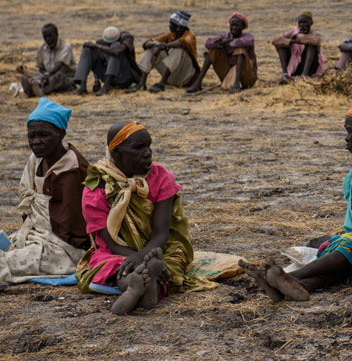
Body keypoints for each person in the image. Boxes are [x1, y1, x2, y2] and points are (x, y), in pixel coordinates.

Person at [241, 99, 352, 301]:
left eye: (350, 131)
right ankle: (300, 286)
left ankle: (289, 277)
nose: (346, 138)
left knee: (348, 246)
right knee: (345, 254)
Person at [76, 121, 217, 315]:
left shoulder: (161, 177)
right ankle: (138, 286)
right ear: (116, 153)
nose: (147, 153)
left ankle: (142, 287)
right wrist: (138, 260)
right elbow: (112, 243)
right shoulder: (97, 187)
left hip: (161, 248)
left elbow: (161, 233)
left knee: (170, 263)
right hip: (118, 251)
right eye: (138, 148)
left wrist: (143, 256)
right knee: (115, 265)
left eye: (148, 146)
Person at [0, 99, 89, 285]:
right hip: (36, 234)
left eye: (43, 135)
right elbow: (28, 199)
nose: (36, 142)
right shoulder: (37, 159)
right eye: (31, 136)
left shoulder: (73, 169)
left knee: (8, 262)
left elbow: (72, 229)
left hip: (63, 247)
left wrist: (38, 241)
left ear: (61, 134)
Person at [128, 11, 199, 93]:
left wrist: (166, 46)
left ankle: (162, 83)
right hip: (172, 77)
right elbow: (148, 43)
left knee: (178, 48)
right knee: (153, 47)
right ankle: (142, 83)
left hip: (186, 78)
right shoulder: (170, 35)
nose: (169, 26)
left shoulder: (190, 35)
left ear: (179, 27)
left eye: (172, 24)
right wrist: (154, 45)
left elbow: (183, 42)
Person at [185, 13, 257, 94]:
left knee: (240, 50)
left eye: (237, 25)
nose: (233, 28)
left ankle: (236, 84)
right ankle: (197, 83)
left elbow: (240, 42)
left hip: (246, 77)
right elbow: (208, 43)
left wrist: (227, 42)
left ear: (243, 27)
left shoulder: (248, 37)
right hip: (228, 75)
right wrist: (221, 43)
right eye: (232, 25)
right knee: (213, 50)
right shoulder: (226, 36)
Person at [74, 26, 139, 96]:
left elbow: (116, 51)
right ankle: (82, 85)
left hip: (124, 76)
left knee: (114, 48)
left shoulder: (127, 37)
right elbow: (97, 60)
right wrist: (96, 81)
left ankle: (106, 87)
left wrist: (96, 46)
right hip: (107, 75)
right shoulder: (101, 42)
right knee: (87, 49)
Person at [21, 23, 75, 97]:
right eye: (45, 37)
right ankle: (35, 86)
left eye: (50, 36)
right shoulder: (42, 48)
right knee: (35, 75)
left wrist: (47, 74)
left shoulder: (65, 46)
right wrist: (41, 77)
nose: (48, 39)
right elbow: (41, 68)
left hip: (66, 78)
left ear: (57, 34)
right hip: (47, 77)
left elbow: (60, 65)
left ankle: (36, 91)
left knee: (58, 76)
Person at [271, 12, 326, 83]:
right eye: (300, 23)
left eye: (305, 22)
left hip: (311, 67)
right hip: (296, 65)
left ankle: (304, 75)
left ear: (311, 23)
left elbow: (315, 41)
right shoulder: (294, 32)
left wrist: (298, 38)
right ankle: (285, 75)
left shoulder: (315, 33)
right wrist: (291, 41)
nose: (302, 25)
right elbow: (275, 40)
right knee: (281, 46)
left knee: (311, 46)